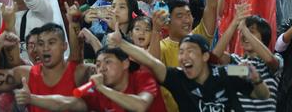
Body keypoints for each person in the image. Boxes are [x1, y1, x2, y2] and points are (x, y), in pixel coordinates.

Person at [108, 29, 270, 111]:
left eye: (190, 51)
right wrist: (121, 43)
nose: (184, 56)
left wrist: (256, 78)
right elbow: (152, 62)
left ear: (205, 56)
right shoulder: (178, 77)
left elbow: (263, 95)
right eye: (181, 51)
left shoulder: (229, 71)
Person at [13, 46, 167, 112]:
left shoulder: (143, 77)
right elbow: (65, 102)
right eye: (98, 65)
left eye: (108, 62)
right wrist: (32, 98)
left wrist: (102, 88)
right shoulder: (97, 90)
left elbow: (140, 106)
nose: (101, 69)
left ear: (125, 63)